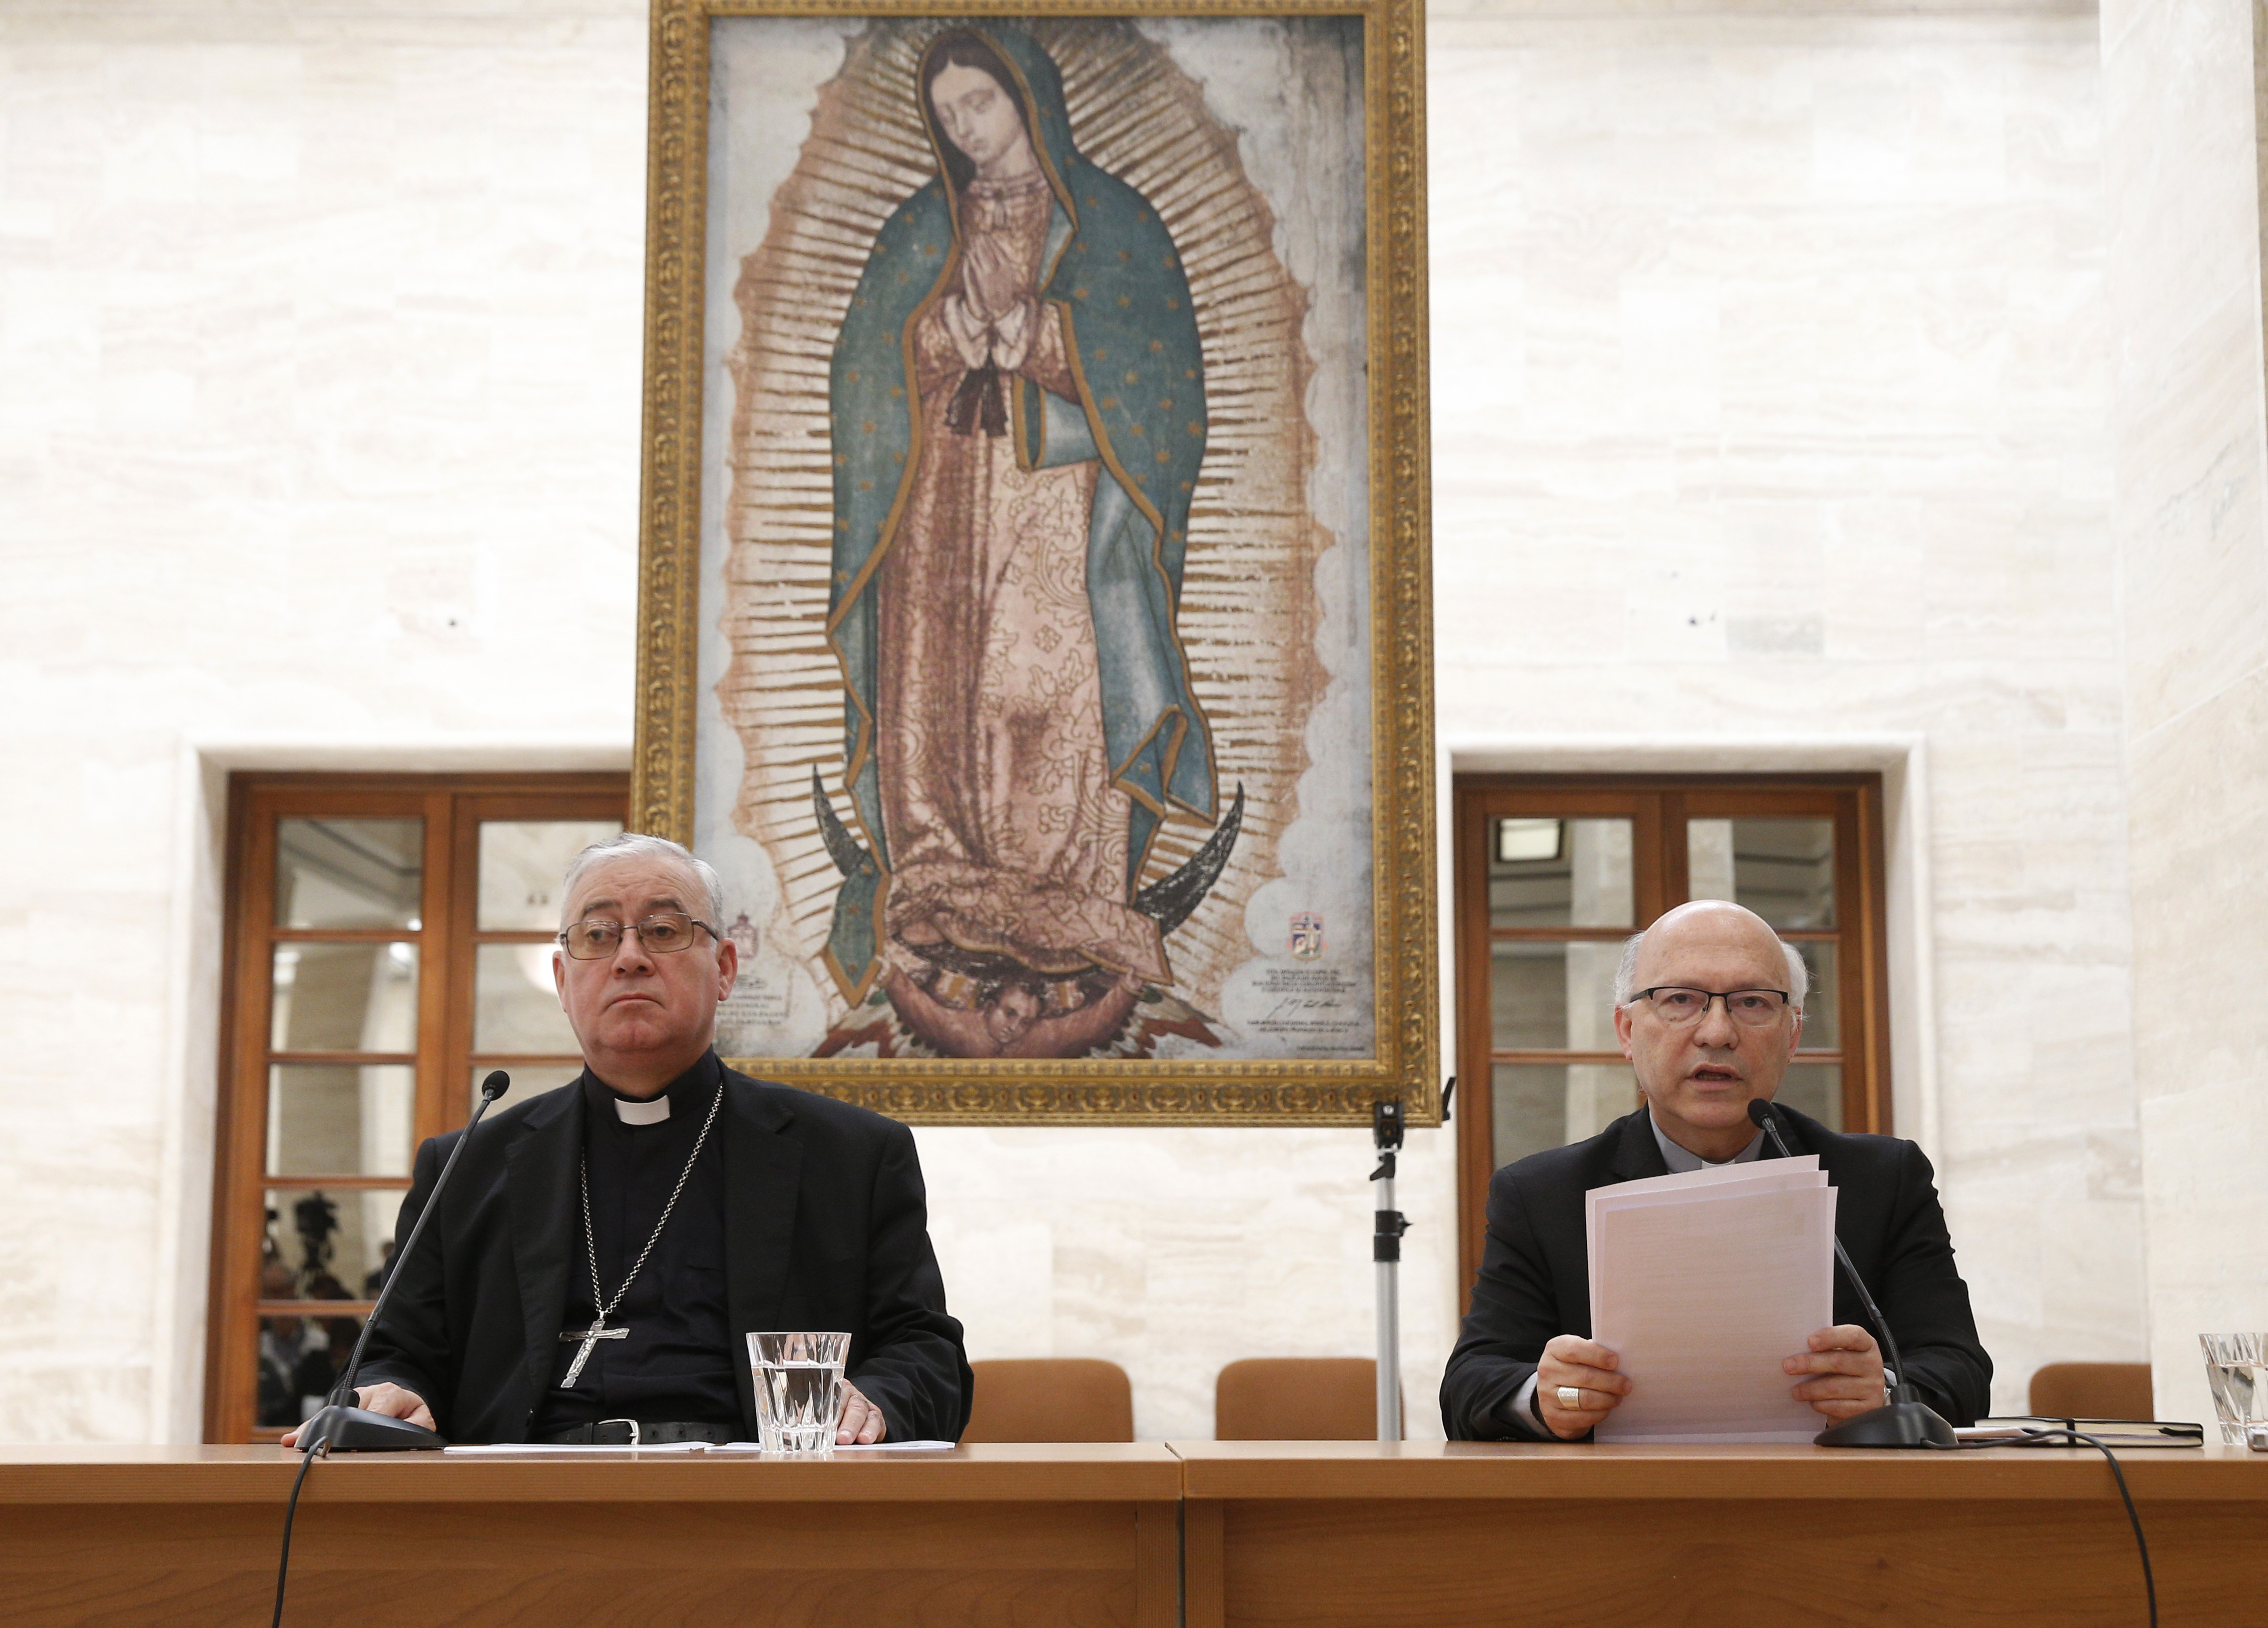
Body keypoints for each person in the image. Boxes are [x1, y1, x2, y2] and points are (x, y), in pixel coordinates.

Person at [286, 833, 971, 1447]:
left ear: (725, 966)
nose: (630, 958)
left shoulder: (850, 1155)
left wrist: (873, 1400)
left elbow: (926, 1353)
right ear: (563, 978)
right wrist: (394, 1390)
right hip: (517, 1508)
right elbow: (395, 1353)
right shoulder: (465, 1167)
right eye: (598, 935)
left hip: (759, 1507)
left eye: (664, 930)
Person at [819, 25, 1218, 1059]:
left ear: (1027, 97)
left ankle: (1060, 890)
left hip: (1058, 496)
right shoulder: (922, 229)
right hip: (940, 505)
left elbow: (1163, 386)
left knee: (1042, 687)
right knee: (943, 691)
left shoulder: (1114, 225)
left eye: (979, 106)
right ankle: (946, 874)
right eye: (947, 116)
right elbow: (867, 371)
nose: (965, 129)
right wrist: (946, 336)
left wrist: (1043, 338)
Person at [1440, 900, 1991, 1440]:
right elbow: (1469, 1384)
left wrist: (1885, 1390)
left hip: (1827, 1511)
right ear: (1627, 1031)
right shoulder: (1541, 1194)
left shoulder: (1883, 1179)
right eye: (1680, 999)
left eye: (1751, 1002)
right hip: (1618, 1512)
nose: (1717, 1032)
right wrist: (1544, 1395)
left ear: (1792, 1034)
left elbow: (1960, 1370)